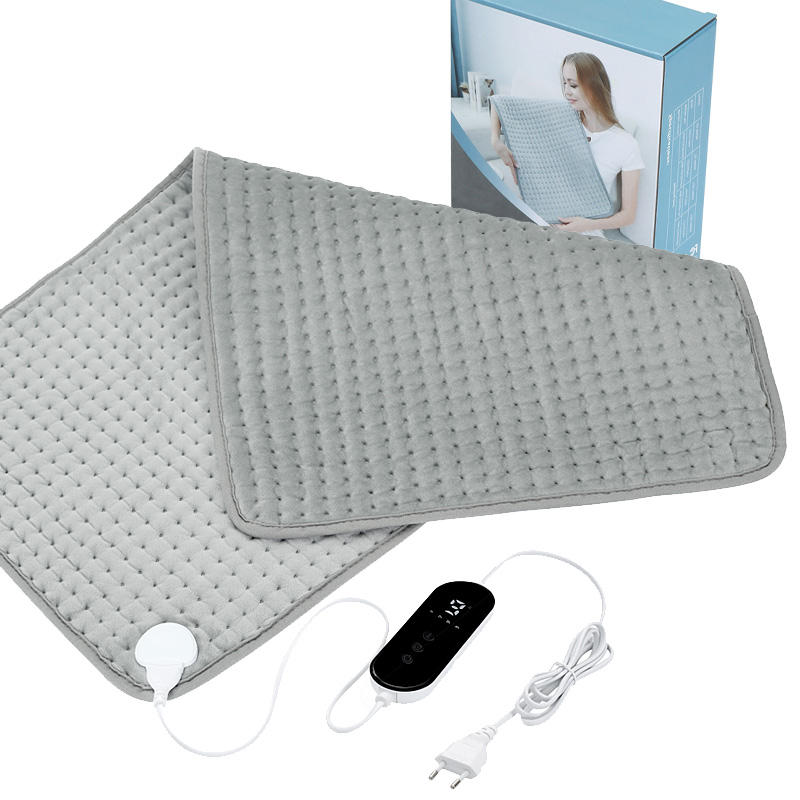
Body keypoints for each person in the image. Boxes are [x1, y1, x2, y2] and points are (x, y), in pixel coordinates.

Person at [490, 52, 644, 236]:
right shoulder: (564, 117)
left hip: (585, 233)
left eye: (573, 85)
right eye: (564, 83)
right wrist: (496, 141)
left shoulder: (625, 144)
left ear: (594, 85)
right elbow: (501, 103)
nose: (566, 91)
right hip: (540, 223)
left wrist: (585, 225)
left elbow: (628, 215)